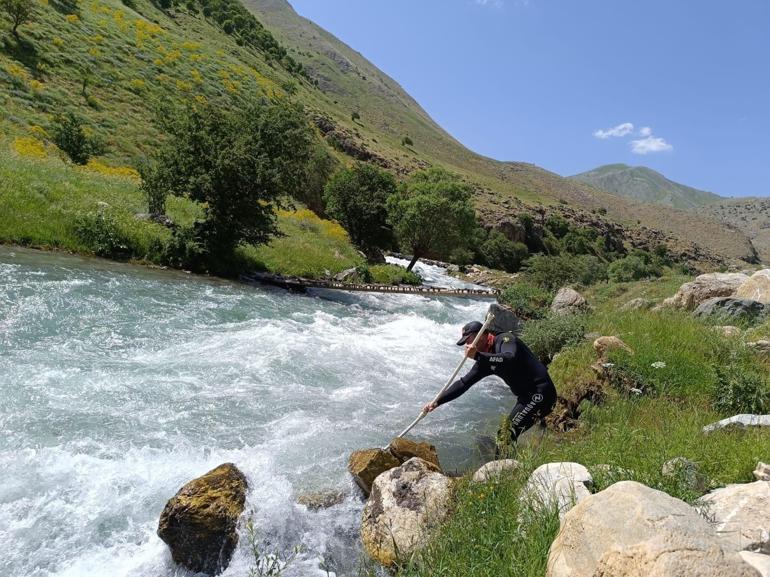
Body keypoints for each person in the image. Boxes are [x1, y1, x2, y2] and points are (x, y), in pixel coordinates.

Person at [423, 320, 557, 455]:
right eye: (465, 343)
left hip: (541, 393)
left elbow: (509, 358)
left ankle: (506, 472)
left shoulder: (505, 340)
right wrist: (437, 402)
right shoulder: (484, 362)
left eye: (469, 340)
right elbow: (463, 384)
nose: (468, 345)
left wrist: (478, 356)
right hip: (525, 398)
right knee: (506, 434)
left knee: (506, 435)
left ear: (481, 335)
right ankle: (513, 466)